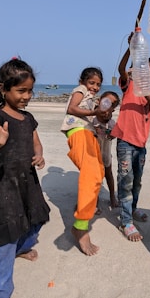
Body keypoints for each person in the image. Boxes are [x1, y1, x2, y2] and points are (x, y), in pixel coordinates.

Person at [0, 58, 51, 298]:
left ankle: (19, 249)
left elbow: (36, 143)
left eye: (30, 91)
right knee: (4, 233)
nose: (27, 96)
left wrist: (39, 155)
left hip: (28, 182)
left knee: (35, 219)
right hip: (5, 185)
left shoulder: (28, 118)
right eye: (21, 91)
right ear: (2, 88)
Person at [110, 46, 150, 242]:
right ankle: (125, 221)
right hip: (125, 142)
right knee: (126, 181)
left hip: (141, 145)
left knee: (137, 181)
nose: (149, 75)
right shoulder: (128, 86)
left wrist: (143, 81)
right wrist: (131, 51)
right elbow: (122, 68)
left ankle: (132, 208)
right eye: (146, 71)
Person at [60, 67, 112, 256]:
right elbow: (71, 109)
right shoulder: (80, 90)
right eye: (92, 83)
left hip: (88, 133)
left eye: (98, 84)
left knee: (98, 172)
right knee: (91, 174)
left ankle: (83, 206)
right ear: (82, 81)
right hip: (78, 131)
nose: (95, 87)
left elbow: (95, 114)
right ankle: (81, 227)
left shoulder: (91, 97)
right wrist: (94, 112)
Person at [93, 91, 121, 210]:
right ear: (99, 102)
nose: (106, 112)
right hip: (93, 155)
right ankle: (95, 199)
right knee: (95, 177)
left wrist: (112, 134)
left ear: (113, 111)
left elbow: (116, 134)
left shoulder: (111, 123)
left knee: (108, 174)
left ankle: (112, 196)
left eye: (111, 108)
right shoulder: (93, 119)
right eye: (106, 103)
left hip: (106, 153)